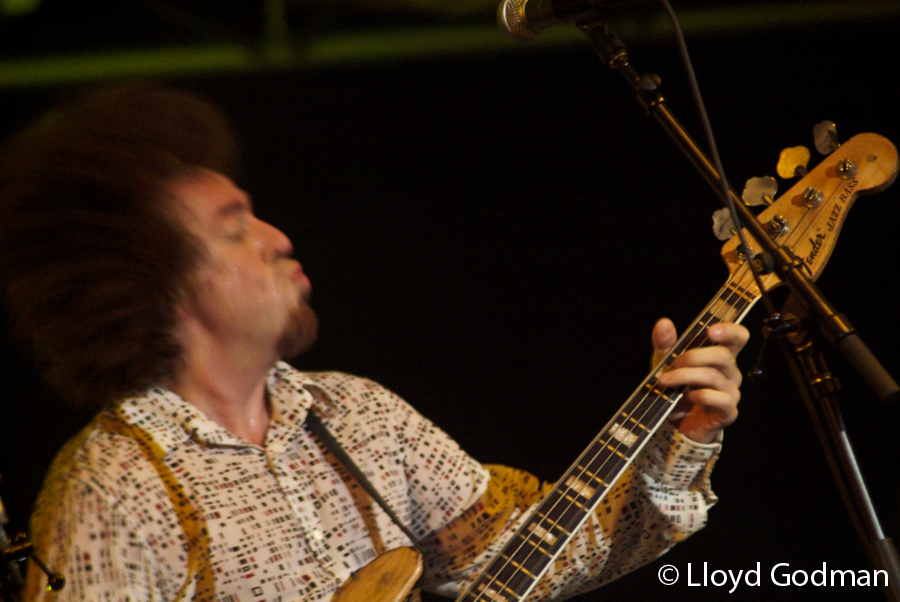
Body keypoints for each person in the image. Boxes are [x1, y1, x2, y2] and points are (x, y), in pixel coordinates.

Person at [0, 83, 748, 602]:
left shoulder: (359, 414)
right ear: (158, 284)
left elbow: (545, 557)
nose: (277, 237)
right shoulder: (112, 486)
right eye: (234, 227)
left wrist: (677, 441)